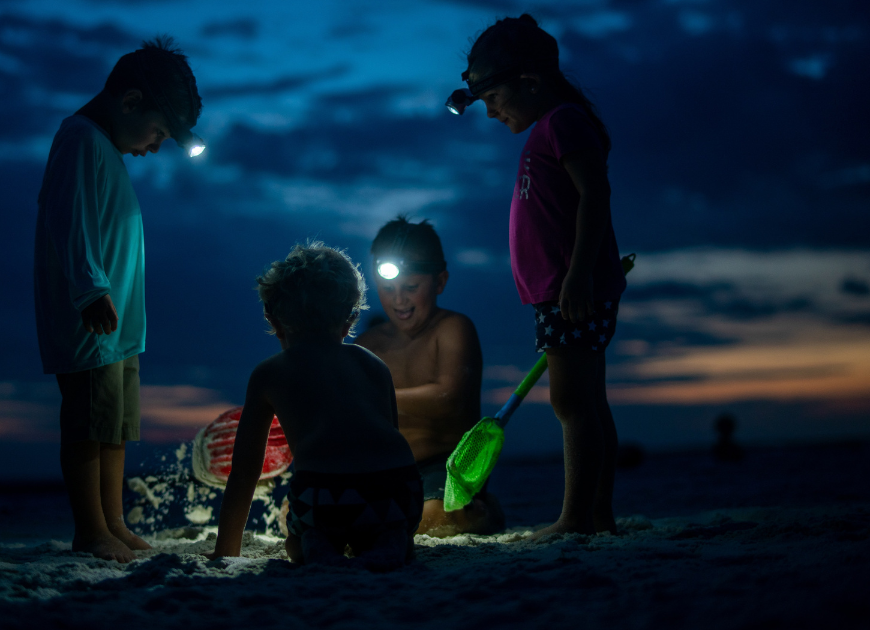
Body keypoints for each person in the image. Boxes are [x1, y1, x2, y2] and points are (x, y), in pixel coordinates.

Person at [450, 15, 626, 538]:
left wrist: (575, 276)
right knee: (587, 400)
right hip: (562, 292)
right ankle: (596, 514)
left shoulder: (563, 121)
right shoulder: (551, 128)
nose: (490, 110)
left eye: (493, 97)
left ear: (529, 81)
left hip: (573, 291)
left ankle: (576, 519)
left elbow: (595, 195)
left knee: (572, 401)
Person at [33, 37, 203, 563]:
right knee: (88, 422)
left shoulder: (105, 147)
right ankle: (90, 529)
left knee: (114, 425)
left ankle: (113, 521)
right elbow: (72, 221)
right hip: (92, 320)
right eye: (157, 133)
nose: (155, 147)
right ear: (130, 102)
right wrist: (90, 290)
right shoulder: (81, 139)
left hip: (120, 326)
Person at [209, 243, 422, 570]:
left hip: (327, 495)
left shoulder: (270, 373)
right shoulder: (374, 365)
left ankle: (315, 546)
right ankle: (392, 541)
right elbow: (391, 436)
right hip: (398, 490)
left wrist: (225, 551)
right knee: (380, 523)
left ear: (273, 320)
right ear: (350, 319)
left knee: (295, 538)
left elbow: (245, 472)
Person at [355, 217, 504, 536]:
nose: (399, 300)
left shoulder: (452, 329)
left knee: (433, 521)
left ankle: (482, 511)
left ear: (440, 282)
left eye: (411, 287)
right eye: (388, 289)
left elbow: (448, 399)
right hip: (383, 469)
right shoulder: (366, 345)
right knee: (312, 516)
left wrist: (371, 398)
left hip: (444, 466)